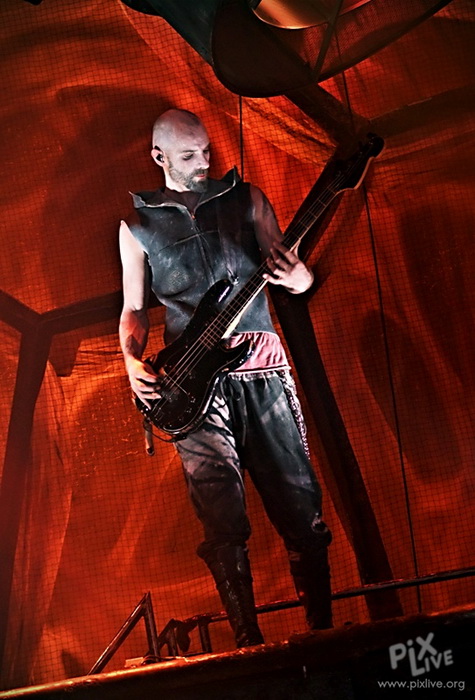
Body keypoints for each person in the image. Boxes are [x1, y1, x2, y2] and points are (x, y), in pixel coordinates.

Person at [119, 109, 332, 648]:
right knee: (219, 514)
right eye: (189, 155)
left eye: (207, 152)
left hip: (261, 366)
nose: (203, 163)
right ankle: (246, 642)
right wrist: (131, 361)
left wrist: (300, 276)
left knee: (299, 502)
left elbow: (295, 274)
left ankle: (324, 635)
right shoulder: (137, 226)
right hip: (190, 383)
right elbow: (134, 309)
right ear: (159, 157)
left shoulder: (247, 198)